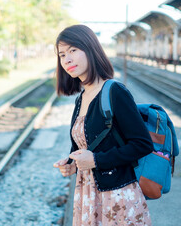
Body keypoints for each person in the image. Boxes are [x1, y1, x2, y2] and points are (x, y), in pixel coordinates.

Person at [53, 24, 153, 225]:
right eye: (62, 54)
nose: (67, 59)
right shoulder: (81, 99)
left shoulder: (114, 91)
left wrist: (97, 160)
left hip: (116, 198)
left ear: (90, 48)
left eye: (73, 50)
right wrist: (73, 164)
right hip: (87, 196)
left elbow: (143, 144)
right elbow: (87, 146)